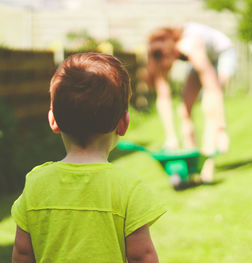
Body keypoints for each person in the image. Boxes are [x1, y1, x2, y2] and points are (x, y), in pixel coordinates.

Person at [11, 52, 166, 263]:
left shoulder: (36, 185)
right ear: (124, 123)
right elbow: (142, 256)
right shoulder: (128, 188)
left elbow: (22, 253)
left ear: (53, 120)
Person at [146, 22, 236, 182]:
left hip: (222, 54)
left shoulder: (191, 45)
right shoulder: (157, 53)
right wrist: (170, 136)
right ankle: (192, 163)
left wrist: (222, 129)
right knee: (184, 111)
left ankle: (207, 170)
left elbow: (214, 89)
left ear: (171, 51)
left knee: (209, 107)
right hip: (201, 60)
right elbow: (163, 95)